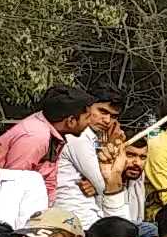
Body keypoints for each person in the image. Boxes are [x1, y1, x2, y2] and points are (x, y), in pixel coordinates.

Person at [0, 85, 94, 202]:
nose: (90, 122)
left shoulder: (50, 129)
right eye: (87, 117)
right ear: (71, 121)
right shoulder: (35, 137)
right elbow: (13, 183)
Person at [51, 85, 125, 229]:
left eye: (113, 116)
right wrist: (97, 186)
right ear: (87, 107)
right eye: (102, 111)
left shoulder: (92, 137)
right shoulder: (78, 136)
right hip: (78, 220)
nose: (107, 120)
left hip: (89, 215)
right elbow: (106, 184)